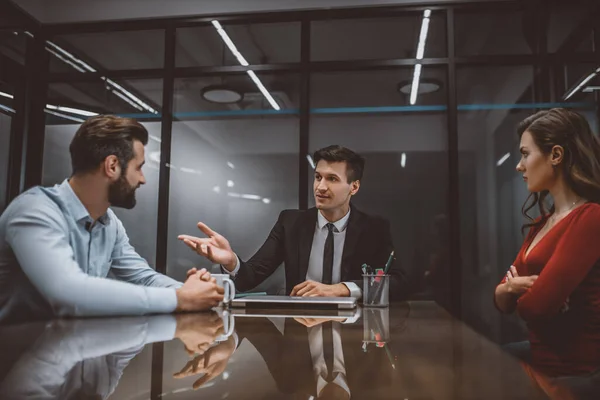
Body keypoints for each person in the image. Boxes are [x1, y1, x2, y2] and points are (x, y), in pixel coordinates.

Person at [0, 115, 223, 323]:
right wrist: (181, 299)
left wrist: (196, 292)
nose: (142, 179)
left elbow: (143, 278)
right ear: (112, 166)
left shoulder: (109, 223)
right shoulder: (35, 210)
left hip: (71, 349)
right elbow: (69, 294)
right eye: (139, 168)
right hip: (18, 356)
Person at [179, 145, 409, 300]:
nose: (320, 187)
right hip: (299, 333)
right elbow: (249, 278)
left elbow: (398, 283)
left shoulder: (373, 228)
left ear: (354, 187)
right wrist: (231, 261)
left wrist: (341, 289)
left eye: (332, 179)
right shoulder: (290, 222)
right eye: (318, 177)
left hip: (355, 336)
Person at [494, 108, 600, 378]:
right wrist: (514, 288)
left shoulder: (590, 218)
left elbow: (536, 308)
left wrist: (515, 289)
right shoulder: (542, 222)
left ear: (555, 155)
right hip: (542, 362)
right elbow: (500, 301)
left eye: (525, 154)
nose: (519, 165)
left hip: (573, 373)